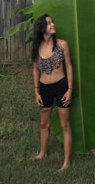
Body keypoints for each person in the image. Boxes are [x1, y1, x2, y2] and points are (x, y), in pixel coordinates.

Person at [32, 14, 73, 171]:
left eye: (52, 22)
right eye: (49, 23)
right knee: (44, 124)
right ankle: (42, 153)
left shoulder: (62, 45)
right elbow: (35, 70)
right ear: (42, 28)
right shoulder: (36, 47)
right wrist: (36, 92)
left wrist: (70, 89)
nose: (53, 24)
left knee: (65, 125)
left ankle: (66, 161)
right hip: (44, 89)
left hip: (61, 86)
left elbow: (69, 67)